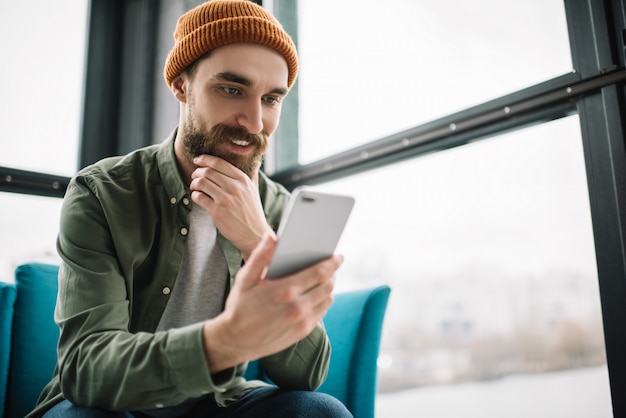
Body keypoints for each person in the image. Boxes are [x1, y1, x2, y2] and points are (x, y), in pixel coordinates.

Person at [28, 1, 352, 417]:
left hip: (218, 402)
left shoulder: (280, 207)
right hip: (110, 407)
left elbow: (306, 374)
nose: (254, 121)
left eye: (271, 99)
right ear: (181, 87)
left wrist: (258, 243)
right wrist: (224, 342)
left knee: (319, 411)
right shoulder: (101, 192)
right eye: (232, 89)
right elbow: (85, 368)